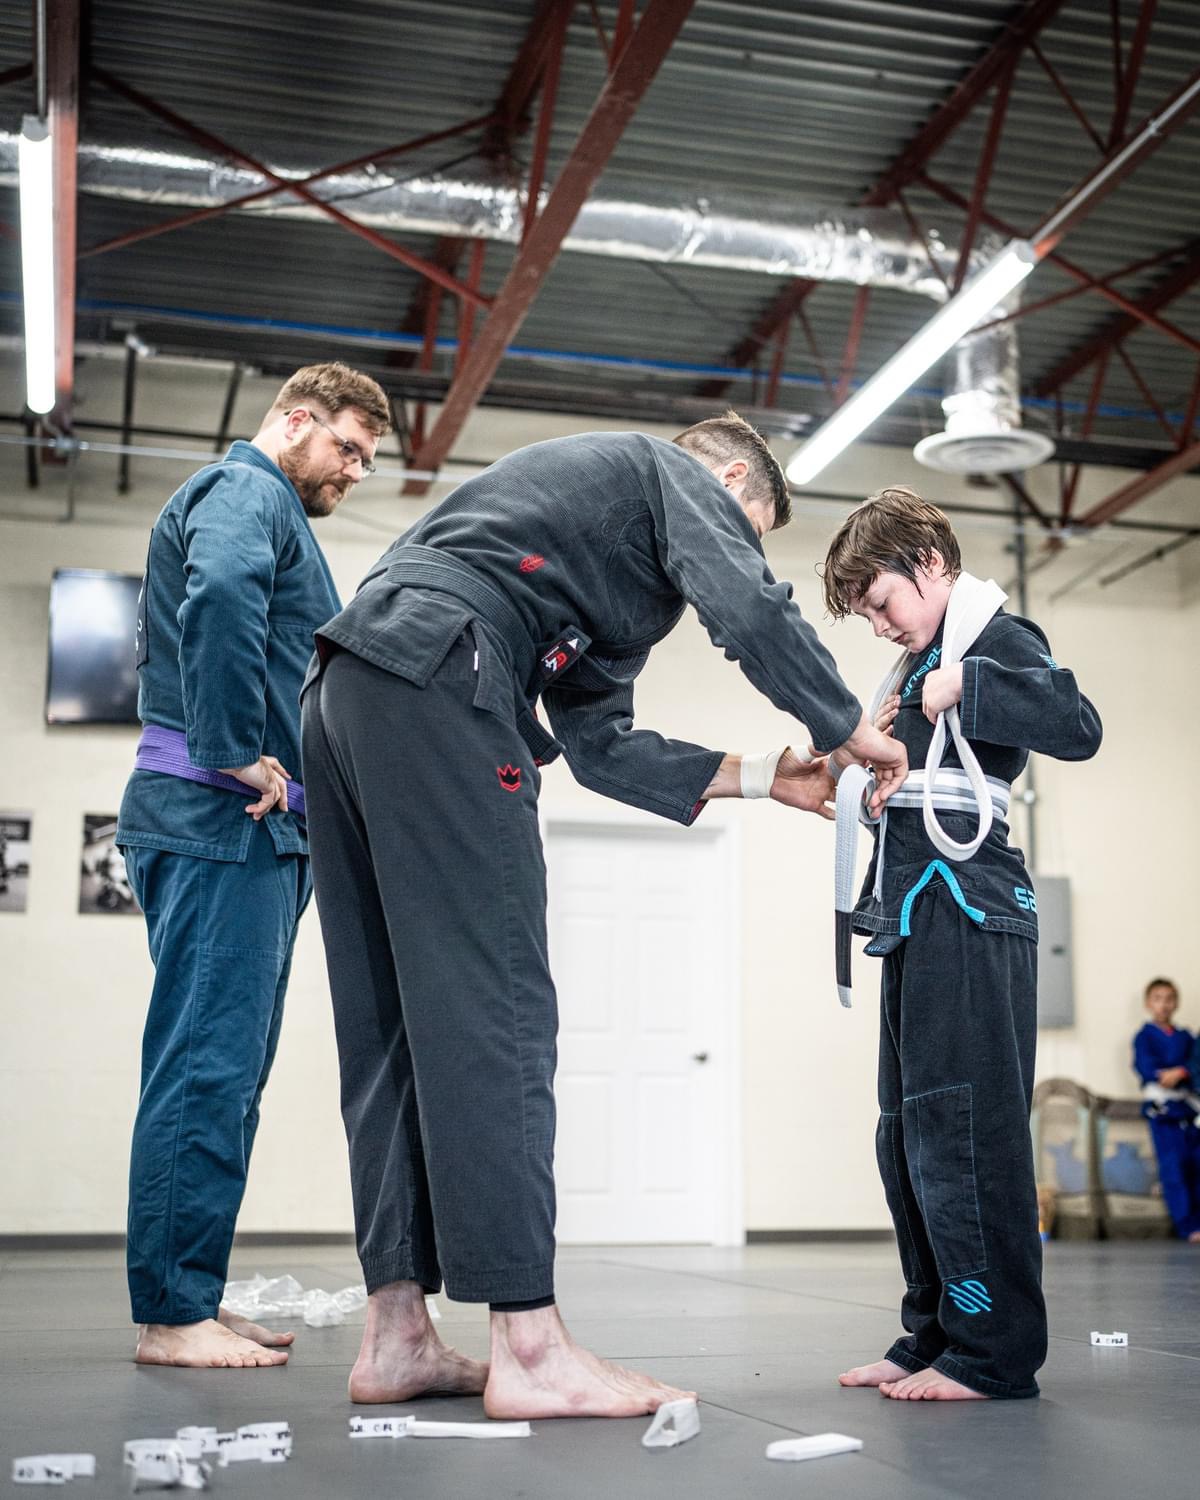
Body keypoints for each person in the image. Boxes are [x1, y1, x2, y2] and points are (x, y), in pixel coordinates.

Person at [299, 412, 906, 1418]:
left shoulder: (587, 567)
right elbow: (750, 611)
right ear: (715, 476)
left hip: (349, 690)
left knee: (394, 1025)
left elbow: (602, 747)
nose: (730, 550)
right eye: (742, 526)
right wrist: (847, 731)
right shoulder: (658, 468)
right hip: (448, 670)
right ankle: (529, 1349)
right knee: (498, 1008)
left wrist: (773, 778)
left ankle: (397, 1336)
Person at [116, 363, 391, 1368]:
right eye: (348, 447)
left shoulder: (271, 508)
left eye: (367, 457)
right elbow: (223, 591)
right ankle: (172, 1317)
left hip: (253, 833)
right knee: (205, 1066)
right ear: (293, 419)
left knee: (225, 1073)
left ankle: (189, 1293)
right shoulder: (247, 492)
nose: (356, 470)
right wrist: (234, 745)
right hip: (219, 816)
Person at [823, 487, 1101, 1402]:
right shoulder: (915, 665)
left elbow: (1078, 726)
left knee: (965, 1134)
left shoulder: (991, 642)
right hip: (915, 912)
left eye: (881, 603)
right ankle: (933, 1334)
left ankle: (993, 1353)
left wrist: (965, 686)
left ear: (931, 566)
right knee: (906, 1136)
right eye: (865, 612)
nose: (877, 625)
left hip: (972, 908)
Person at [1132, 977, 1200, 1242]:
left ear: (1176, 1003)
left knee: (1195, 1166)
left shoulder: (1187, 1037)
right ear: (1149, 1003)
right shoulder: (1144, 1036)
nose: (1164, 1005)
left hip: (1188, 1111)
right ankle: (1187, 1226)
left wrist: (1183, 1071)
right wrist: (1172, 1073)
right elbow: (1148, 1070)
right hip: (1163, 1112)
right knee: (1173, 1169)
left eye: (1169, 998)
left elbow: (1194, 1068)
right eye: (1158, 999)